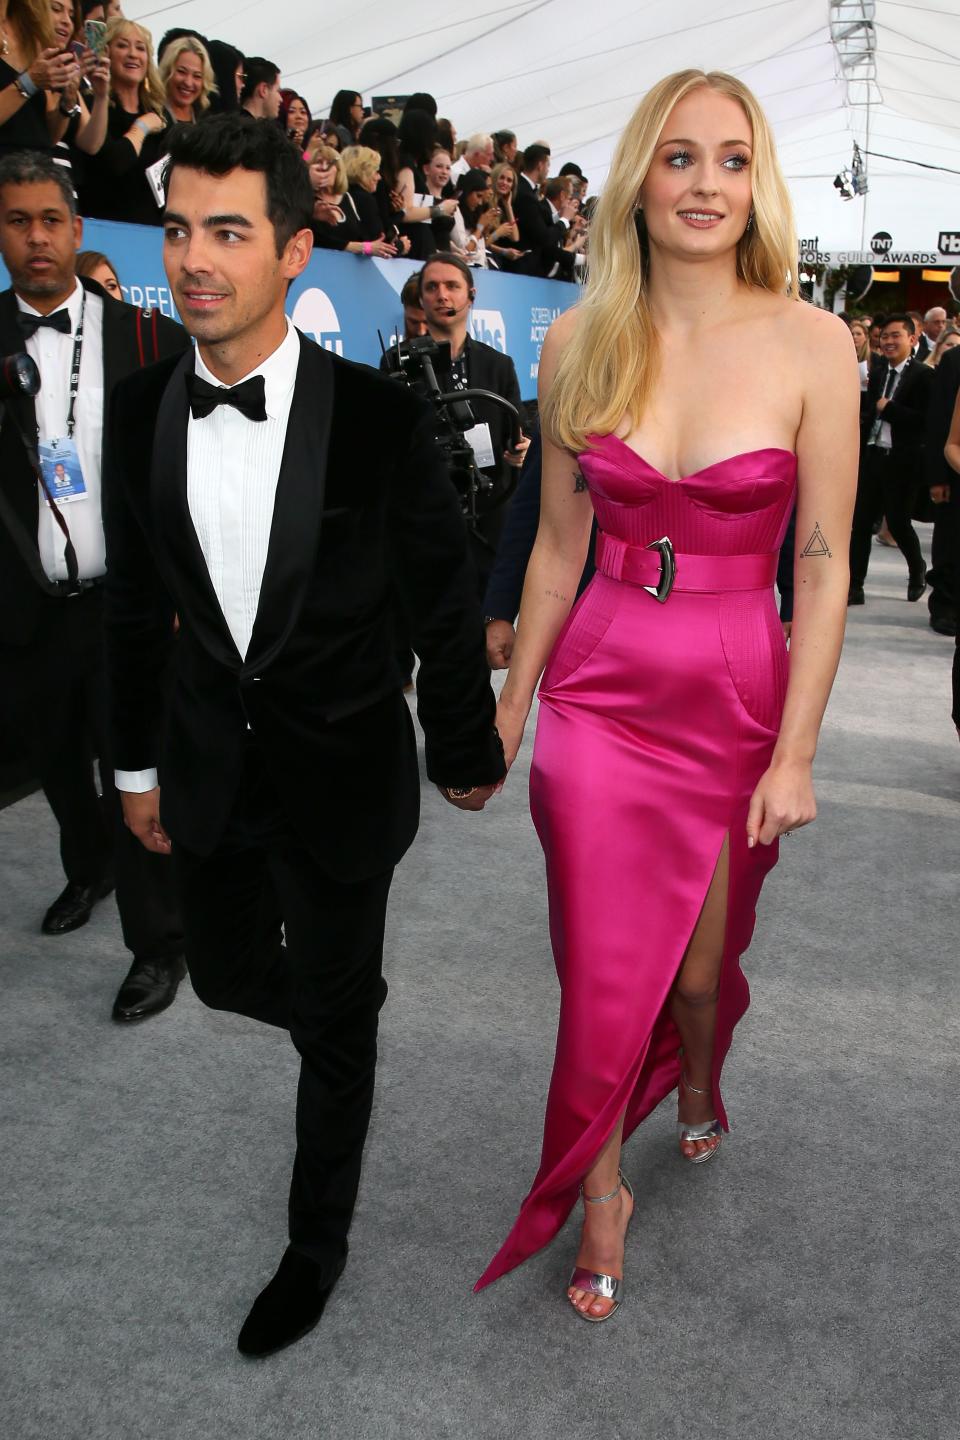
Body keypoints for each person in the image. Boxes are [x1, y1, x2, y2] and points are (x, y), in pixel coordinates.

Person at [102, 113, 504, 1357]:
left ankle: (314, 1246)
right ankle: (345, 1016)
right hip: (209, 765)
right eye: (178, 230)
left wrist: (461, 741)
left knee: (329, 1027)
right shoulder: (135, 410)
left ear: (294, 252)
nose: (193, 260)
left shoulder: (376, 418)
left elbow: (443, 590)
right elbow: (131, 608)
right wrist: (133, 767)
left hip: (340, 773)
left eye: (229, 231)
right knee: (222, 976)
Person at [474, 68, 857, 1320]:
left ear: (760, 185)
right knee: (596, 972)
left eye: (732, 160)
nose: (705, 184)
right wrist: (516, 699)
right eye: (680, 157)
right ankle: (598, 1197)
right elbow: (553, 547)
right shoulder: (580, 337)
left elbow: (821, 558)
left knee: (694, 974)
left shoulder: (814, 343)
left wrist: (795, 751)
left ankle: (696, 1070)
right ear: (641, 175)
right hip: (599, 689)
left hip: (737, 693)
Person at [0, 150, 188, 1020]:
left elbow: (182, 475)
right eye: (16, 221)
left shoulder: (147, 338)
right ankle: (89, 869)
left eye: (50, 221)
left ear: (77, 231)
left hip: (129, 604)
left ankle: (158, 944)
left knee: (133, 772)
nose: (35, 238)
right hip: (28, 607)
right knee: (59, 769)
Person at [415, 252, 529, 581]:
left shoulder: (499, 364)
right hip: (428, 522)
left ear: (471, 295)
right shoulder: (398, 365)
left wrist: (522, 448)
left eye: (452, 286)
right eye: (432, 287)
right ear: (421, 298)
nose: (442, 295)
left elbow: (518, 425)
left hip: (492, 518)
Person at [848, 313, 933, 605]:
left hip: (903, 462)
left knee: (898, 522)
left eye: (895, 336)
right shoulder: (878, 371)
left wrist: (890, 409)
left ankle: (917, 569)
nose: (888, 342)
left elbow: (925, 421)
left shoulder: (923, 375)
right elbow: (871, 410)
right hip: (873, 456)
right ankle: (855, 585)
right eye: (884, 336)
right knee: (860, 523)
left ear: (912, 339)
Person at [76, 16, 167, 225]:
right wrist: (141, 127)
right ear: (106, 53)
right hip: (102, 226)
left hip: (151, 231)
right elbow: (114, 163)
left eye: (140, 48)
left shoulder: (159, 114)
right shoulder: (93, 103)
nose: (133, 54)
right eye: (123, 46)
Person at [1, 0, 80, 158]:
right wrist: (29, 83)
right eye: (56, 9)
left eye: (71, 16)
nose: (67, 21)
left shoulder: (40, 52)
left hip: (39, 173)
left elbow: (49, 138)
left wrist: (67, 104)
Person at [925, 340, 960, 639]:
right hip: (954, 475)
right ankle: (944, 606)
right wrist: (938, 477)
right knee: (950, 543)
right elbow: (938, 422)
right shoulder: (954, 360)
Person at [515, 142, 577, 279]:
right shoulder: (524, 193)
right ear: (540, 165)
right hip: (522, 270)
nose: (548, 170)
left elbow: (536, 221)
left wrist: (558, 216)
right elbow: (543, 238)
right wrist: (564, 220)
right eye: (548, 165)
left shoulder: (527, 190)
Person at [159, 34, 216, 125]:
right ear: (167, 72)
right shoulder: (152, 116)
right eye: (181, 72)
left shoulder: (208, 124)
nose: (188, 83)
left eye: (197, 76)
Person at [240, 56, 280, 121]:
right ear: (263, 90)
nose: (280, 99)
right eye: (277, 90)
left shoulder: (226, 125)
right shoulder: (249, 129)